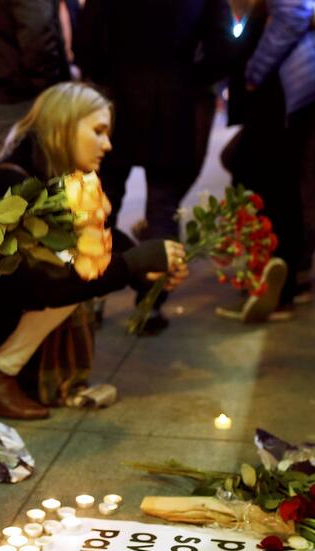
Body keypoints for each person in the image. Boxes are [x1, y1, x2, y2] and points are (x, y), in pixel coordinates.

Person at [0, 82, 189, 420]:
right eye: (98, 131)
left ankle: (12, 367)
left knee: (86, 263)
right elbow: (49, 284)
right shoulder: (8, 183)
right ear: (64, 126)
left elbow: (103, 242)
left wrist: (147, 272)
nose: (108, 144)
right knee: (75, 273)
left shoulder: (51, 177)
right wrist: (132, 264)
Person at [74, 0, 234, 334]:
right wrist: (187, 78)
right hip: (174, 106)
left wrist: (111, 73)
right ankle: (149, 306)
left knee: (101, 205)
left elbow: (84, 42)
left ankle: (92, 297)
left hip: (117, 103)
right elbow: (222, 52)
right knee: (163, 210)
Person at [218, 0, 315, 322]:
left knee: (271, 188)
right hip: (280, 93)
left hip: (276, 93)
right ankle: (275, 284)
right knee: (271, 183)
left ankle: (276, 287)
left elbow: (293, 12)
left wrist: (255, 72)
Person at [0, 0, 71, 158]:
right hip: (20, 98)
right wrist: (53, 91)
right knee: (26, 177)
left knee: (1, 175)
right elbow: (37, 32)